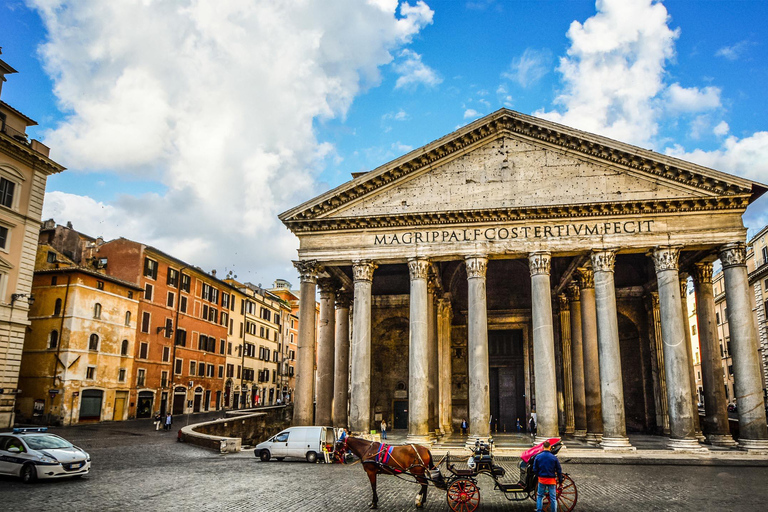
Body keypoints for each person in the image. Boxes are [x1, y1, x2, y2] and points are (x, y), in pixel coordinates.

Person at [532, 440, 563, 512]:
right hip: (551, 480)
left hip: (542, 479)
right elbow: (559, 470)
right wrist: (560, 481)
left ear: (543, 447)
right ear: (549, 447)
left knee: (539, 496)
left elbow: (535, 468)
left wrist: (538, 475)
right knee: (553, 498)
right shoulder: (554, 458)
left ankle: (539, 510)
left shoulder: (538, 457)